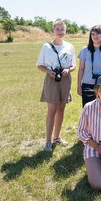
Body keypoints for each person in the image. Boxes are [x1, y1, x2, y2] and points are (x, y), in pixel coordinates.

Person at [36, 20, 76, 151]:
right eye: (57, 29)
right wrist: (49, 71)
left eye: (62, 29)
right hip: (51, 79)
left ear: (65, 31)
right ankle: (48, 141)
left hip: (65, 79)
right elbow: (39, 65)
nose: (60, 32)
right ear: (54, 31)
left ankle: (57, 137)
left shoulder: (69, 46)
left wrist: (68, 70)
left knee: (61, 109)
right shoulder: (46, 47)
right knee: (52, 110)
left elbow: (73, 65)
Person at [77, 25, 101, 108]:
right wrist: (79, 85)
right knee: (88, 110)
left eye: (98, 34)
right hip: (87, 84)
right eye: (93, 34)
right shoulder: (85, 50)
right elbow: (81, 69)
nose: (95, 36)